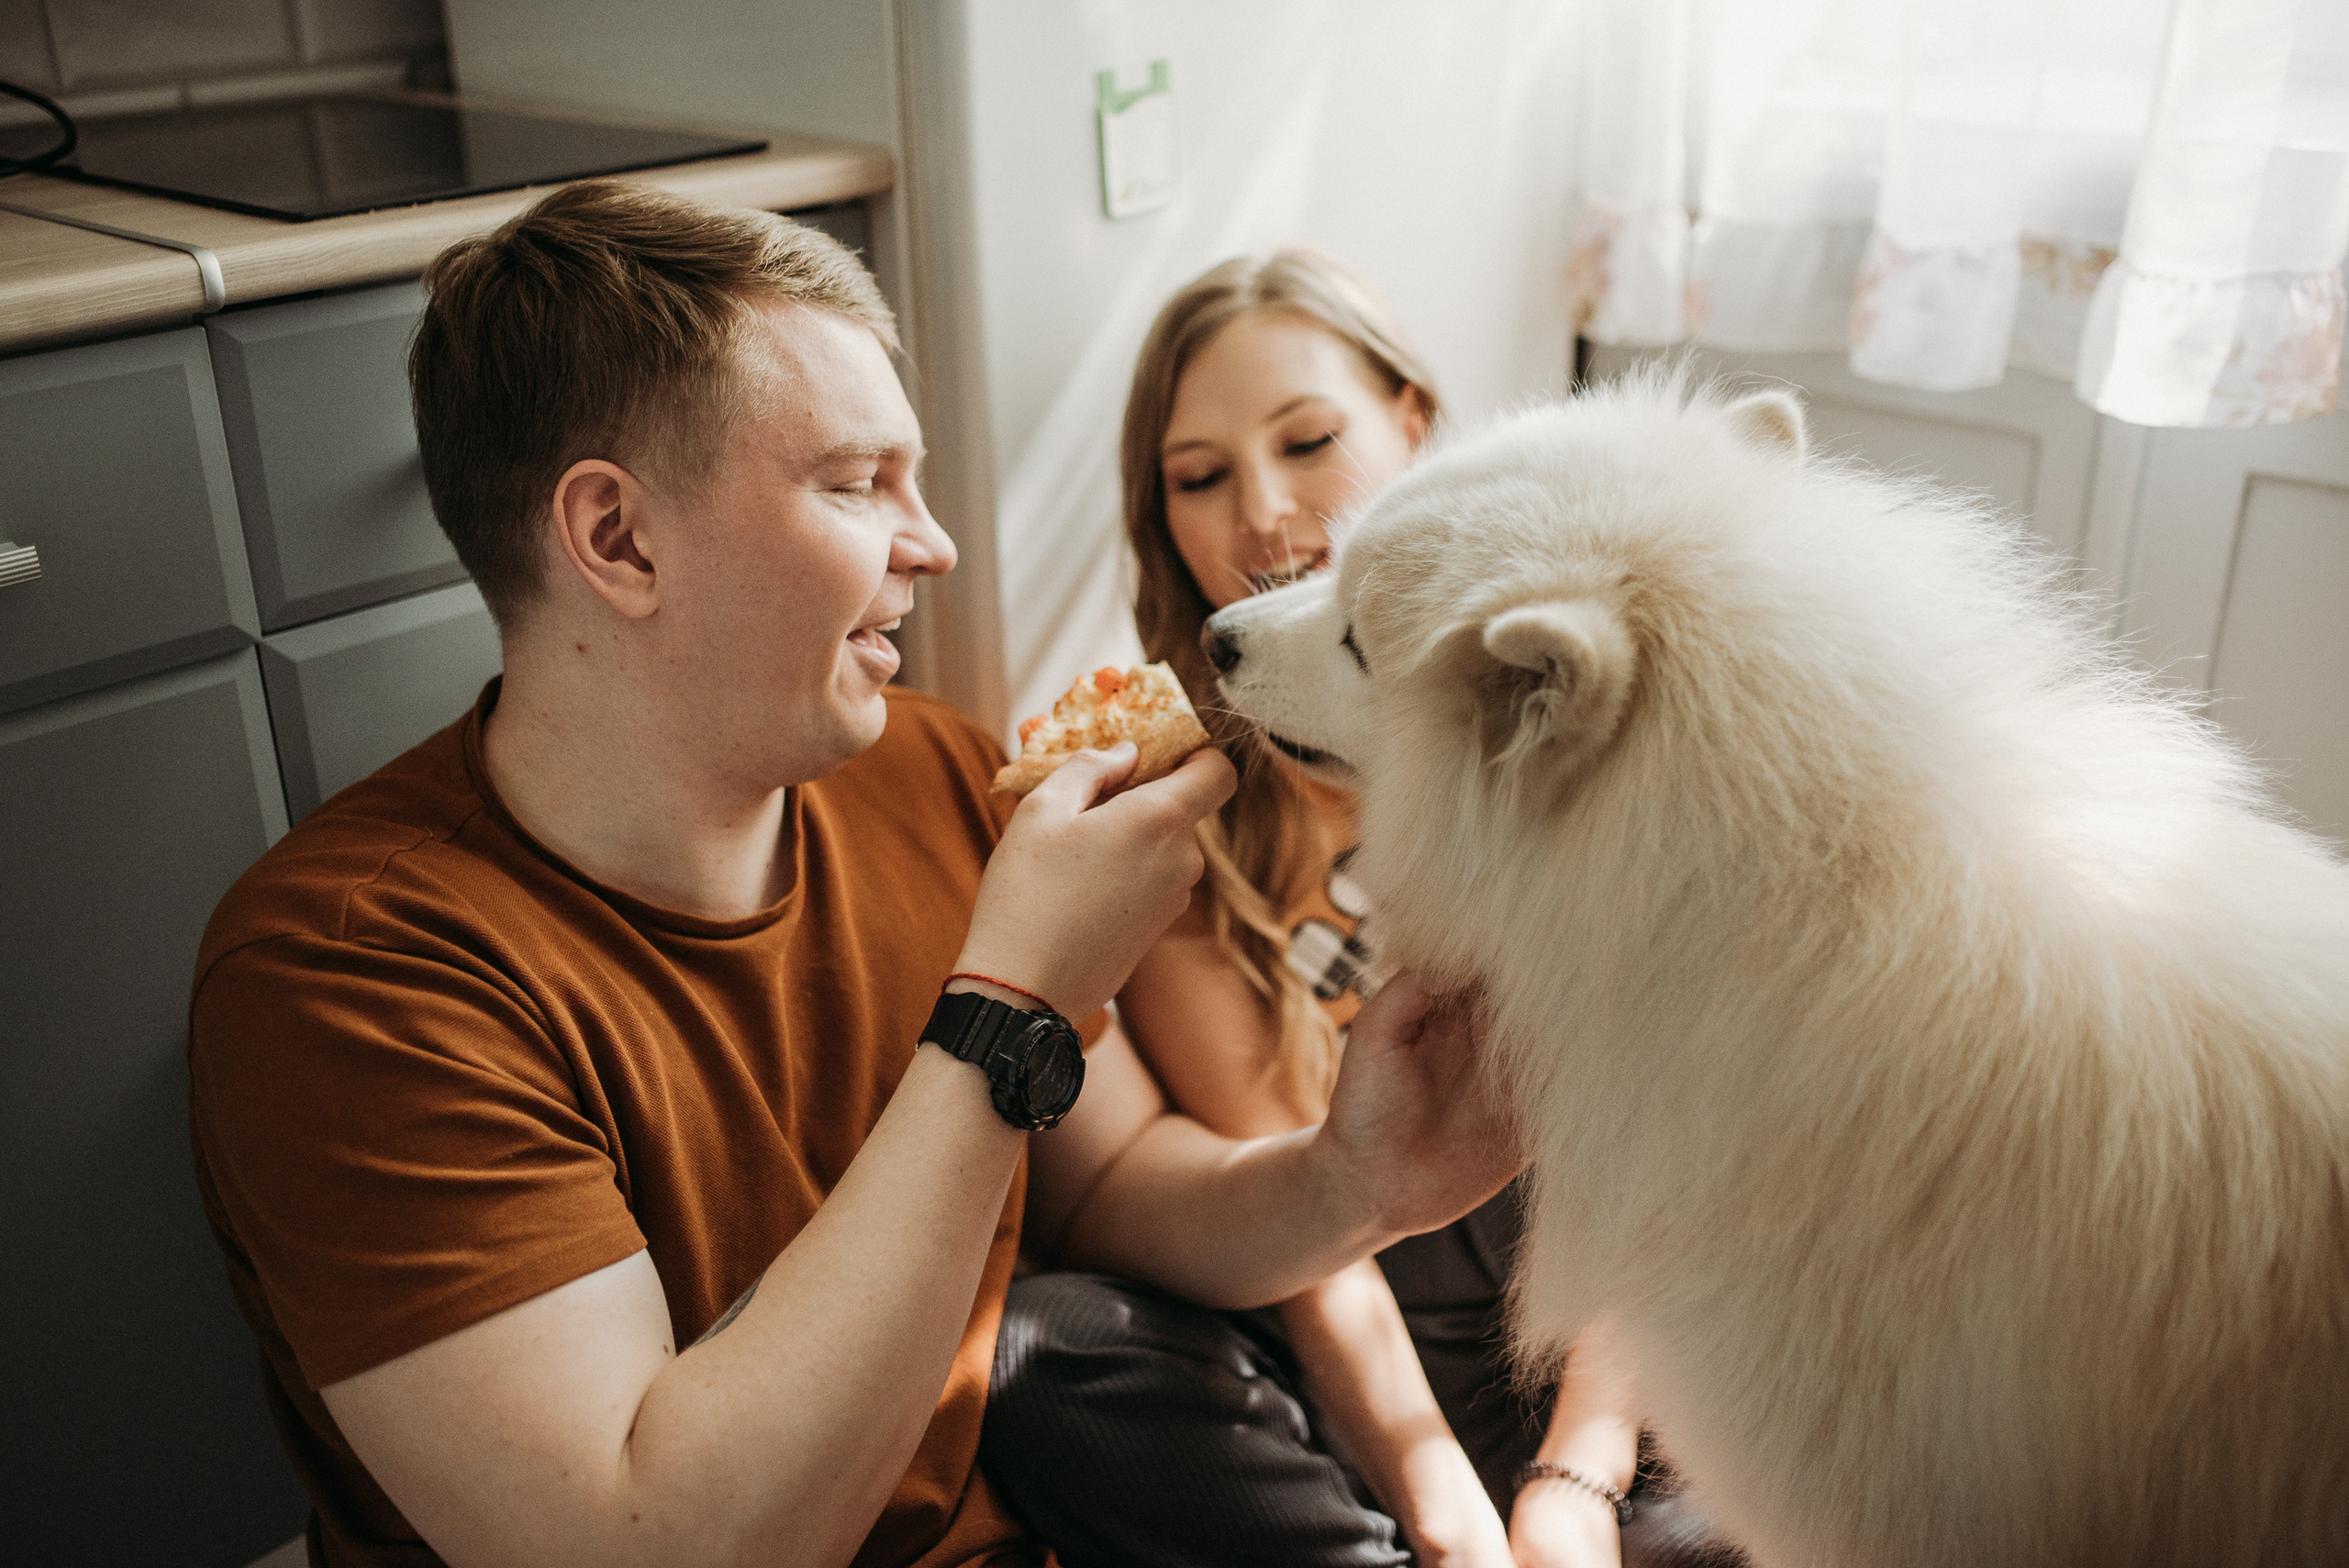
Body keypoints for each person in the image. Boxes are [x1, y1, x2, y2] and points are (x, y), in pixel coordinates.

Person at [185, 183, 1521, 1568]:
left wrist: (1355, 1175)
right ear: (618, 540)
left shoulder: (933, 773)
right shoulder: (348, 975)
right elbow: (647, 1542)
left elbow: (1115, 1180)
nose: (931, 542)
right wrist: (1009, 1008)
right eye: (855, 481)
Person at [982, 252, 1719, 1568]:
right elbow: (1317, 1246)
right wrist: (1452, 1521)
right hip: (1368, 1396)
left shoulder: (1552, 708)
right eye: (1199, 477)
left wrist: (1574, 1480)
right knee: (1054, 1345)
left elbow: (1668, 1154)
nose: (1262, 513)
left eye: (1309, 440)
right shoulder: (1165, 810)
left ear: (1414, 423)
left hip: (1631, 1361)